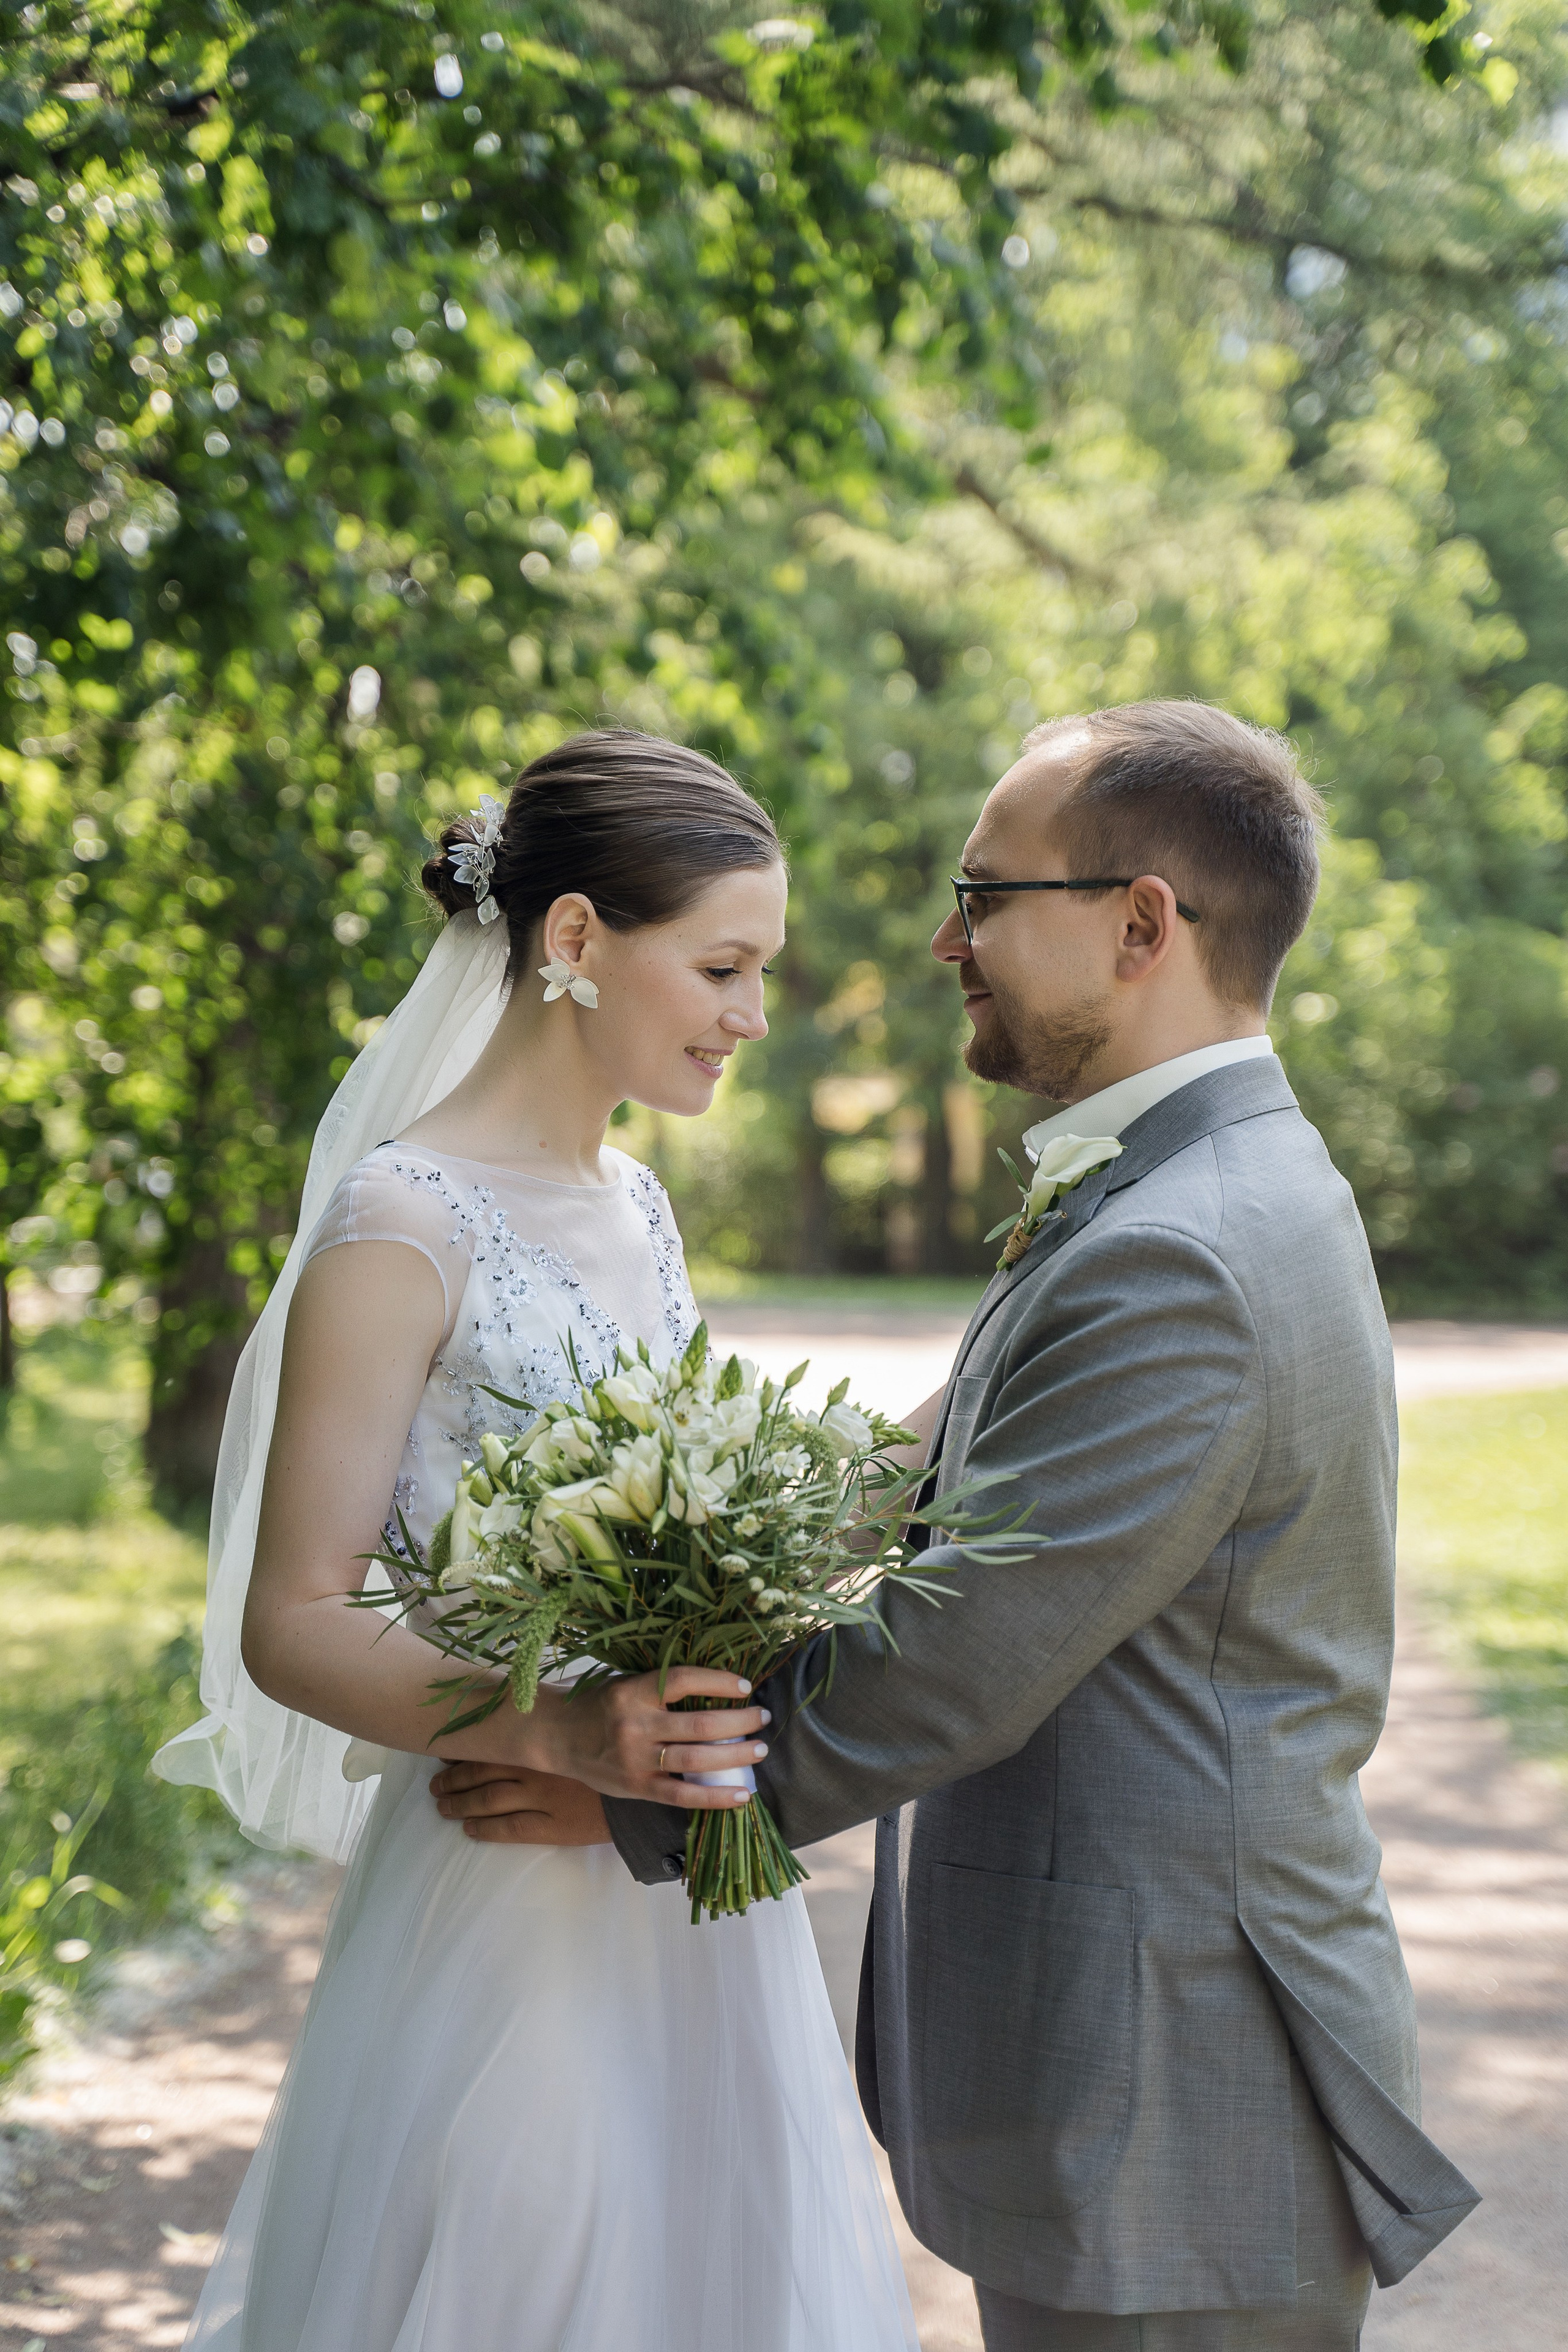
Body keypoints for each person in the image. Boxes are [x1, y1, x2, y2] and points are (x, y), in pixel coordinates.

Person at [434, 702, 1480, 2350]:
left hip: (1167, 2098)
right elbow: (941, 1476)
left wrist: (638, 1785)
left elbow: (954, 1657)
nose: (946, 940)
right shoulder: (1174, 1184)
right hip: (1137, 2078)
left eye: (987, 896)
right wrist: (669, 1538)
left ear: (1142, 926)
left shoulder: (1186, 1245)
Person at [153, 730, 918, 2352]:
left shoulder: (641, 1204)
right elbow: (292, 1618)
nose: (753, 1016)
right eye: (723, 965)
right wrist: (565, 1727)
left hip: (686, 1887)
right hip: (508, 1879)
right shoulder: (401, 1223)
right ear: (573, 940)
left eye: (761, 970)